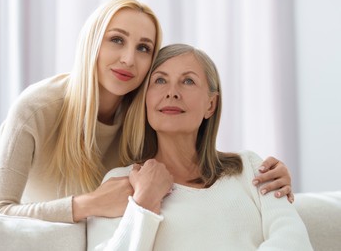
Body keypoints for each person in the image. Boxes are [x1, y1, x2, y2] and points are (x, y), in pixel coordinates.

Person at [0, 0, 292, 224]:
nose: (129, 59)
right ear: (92, 43)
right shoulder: (36, 108)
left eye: (144, 48)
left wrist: (260, 172)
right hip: (5, 181)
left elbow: (188, 156)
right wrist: (88, 204)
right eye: (117, 40)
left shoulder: (144, 108)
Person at [87, 44, 313, 250]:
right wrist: (143, 203)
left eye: (188, 81)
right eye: (160, 80)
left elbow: (295, 241)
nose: (172, 92)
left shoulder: (252, 168)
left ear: (211, 105)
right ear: (144, 99)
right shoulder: (120, 183)